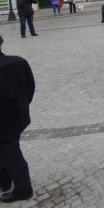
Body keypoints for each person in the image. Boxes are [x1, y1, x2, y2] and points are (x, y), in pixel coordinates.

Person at [0, 36, 35, 203]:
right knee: (7, 150)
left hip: (4, 123)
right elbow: (29, 87)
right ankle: (5, 181)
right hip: (17, 116)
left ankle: (23, 189)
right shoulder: (18, 62)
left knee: (10, 152)